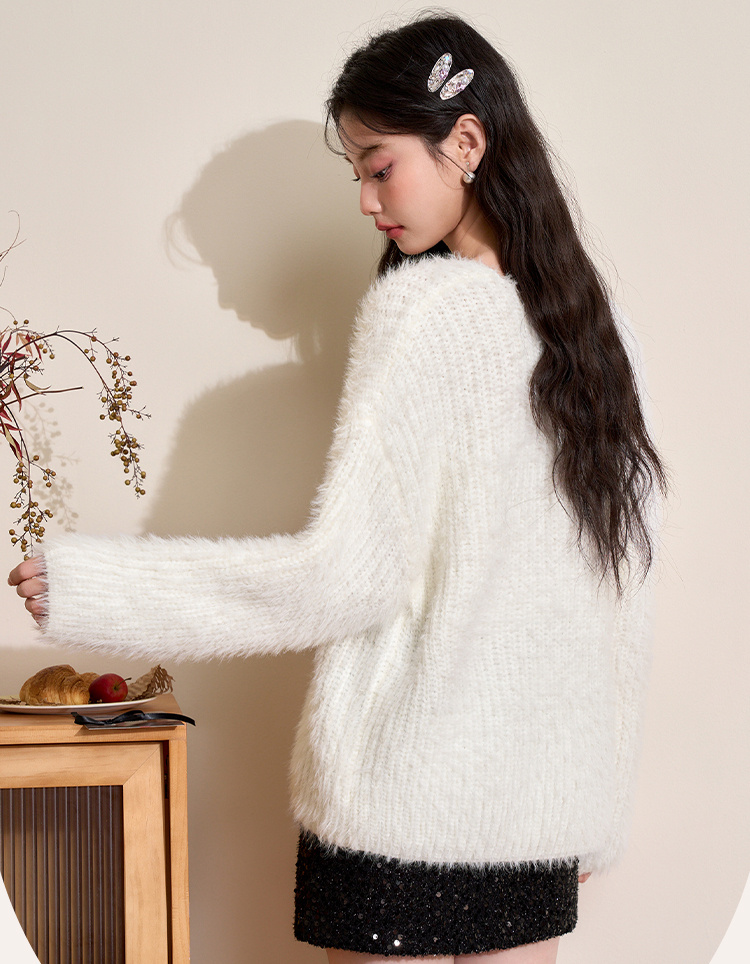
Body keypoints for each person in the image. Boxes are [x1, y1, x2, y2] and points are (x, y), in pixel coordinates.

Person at [9, 12, 667, 964]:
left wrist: (95, 590)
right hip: (537, 817)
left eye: (378, 165)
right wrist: (595, 810)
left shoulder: (426, 313)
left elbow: (342, 579)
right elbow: (622, 591)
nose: (365, 200)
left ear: (466, 142)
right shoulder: (601, 337)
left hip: (398, 807)